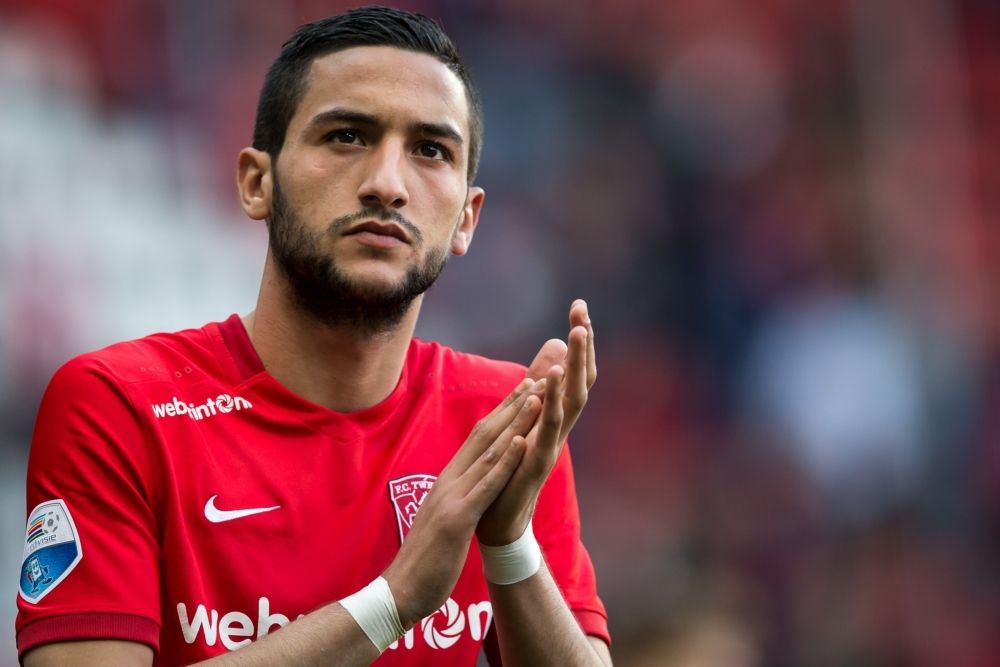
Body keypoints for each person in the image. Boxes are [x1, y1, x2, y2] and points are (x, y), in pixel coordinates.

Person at [15, 6, 611, 666]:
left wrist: (510, 545)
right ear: (257, 183)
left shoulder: (500, 422)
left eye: (430, 151)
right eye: (347, 137)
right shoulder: (120, 406)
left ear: (466, 219)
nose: (387, 185)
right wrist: (393, 601)